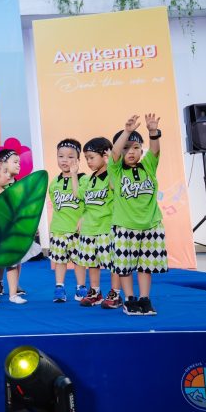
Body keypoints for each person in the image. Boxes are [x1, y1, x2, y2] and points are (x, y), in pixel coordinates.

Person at [108, 114, 165, 316]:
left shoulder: (148, 165)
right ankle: (130, 299)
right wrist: (127, 132)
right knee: (125, 266)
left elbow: (155, 149)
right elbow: (115, 152)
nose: (131, 151)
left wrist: (153, 132)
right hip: (125, 226)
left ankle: (144, 299)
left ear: (142, 150)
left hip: (151, 225)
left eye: (135, 147)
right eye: (126, 148)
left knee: (145, 266)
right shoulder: (116, 170)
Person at [77, 138, 120, 308]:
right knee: (92, 262)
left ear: (105, 155)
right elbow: (81, 197)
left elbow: (115, 187)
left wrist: (111, 164)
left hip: (106, 227)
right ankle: (95, 292)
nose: (88, 161)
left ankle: (115, 293)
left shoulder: (112, 175)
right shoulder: (89, 179)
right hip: (89, 228)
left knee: (113, 263)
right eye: (86, 158)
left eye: (91, 157)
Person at [0, 160, 27, 304]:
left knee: (12, 263)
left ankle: (13, 295)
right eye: (5, 172)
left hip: (8, 235)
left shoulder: (9, 193)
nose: (9, 175)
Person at [48, 139, 84, 303]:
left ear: (78, 159)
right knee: (59, 261)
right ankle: (59, 287)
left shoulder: (84, 179)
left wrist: (83, 218)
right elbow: (56, 206)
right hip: (58, 230)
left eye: (70, 157)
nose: (65, 160)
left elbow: (87, 202)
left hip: (77, 230)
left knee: (79, 261)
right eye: (61, 156)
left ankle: (81, 287)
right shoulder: (54, 182)